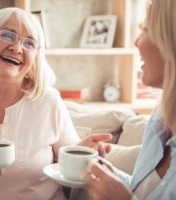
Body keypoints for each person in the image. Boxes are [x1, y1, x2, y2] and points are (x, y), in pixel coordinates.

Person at [0, 7, 112, 200]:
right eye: (7, 35)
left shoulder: (49, 101)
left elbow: (70, 163)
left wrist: (87, 151)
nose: (17, 48)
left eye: (29, 43)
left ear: (36, 58)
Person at [84, 0, 176, 199]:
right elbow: (145, 192)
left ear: (170, 39)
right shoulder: (160, 118)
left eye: (146, 29)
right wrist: (108, 175)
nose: (136, 42)